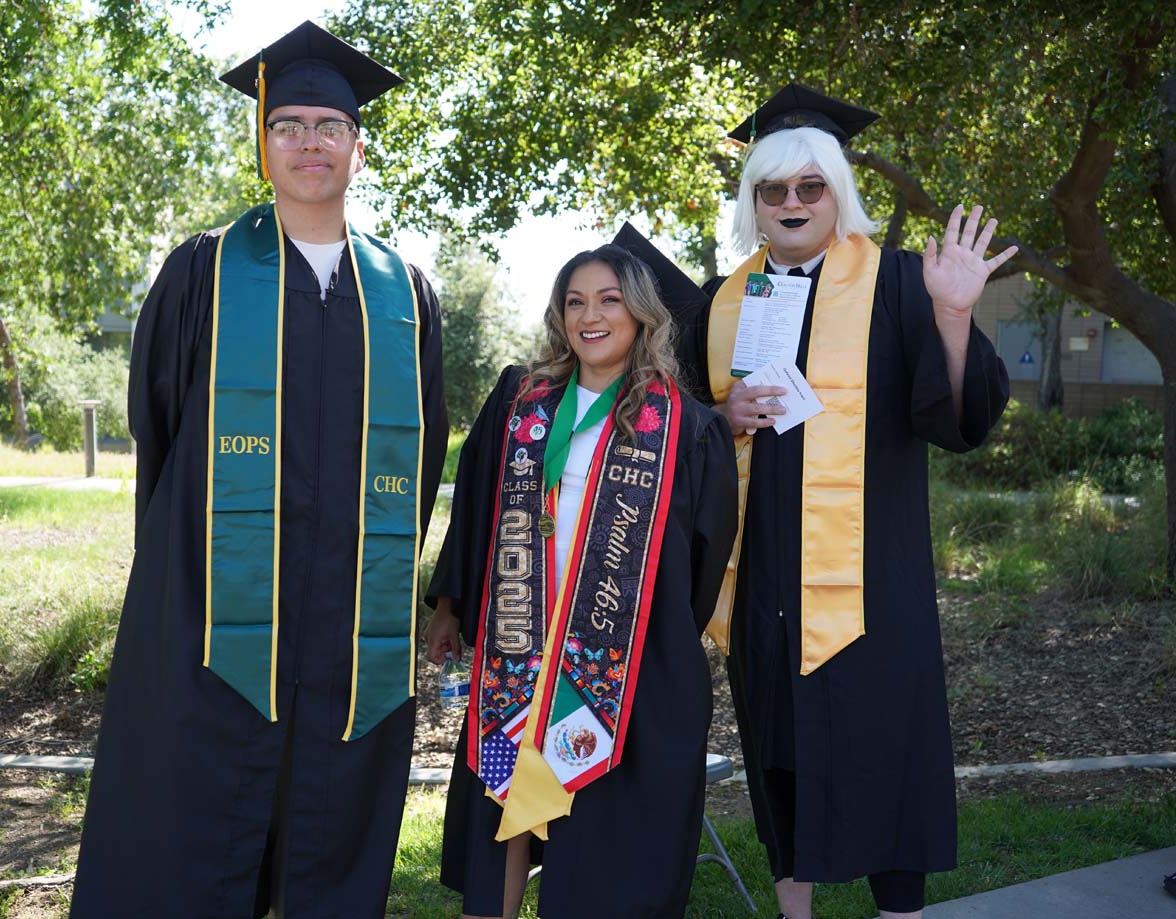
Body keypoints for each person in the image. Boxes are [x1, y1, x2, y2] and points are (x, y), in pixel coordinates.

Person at [70, 21, 447, 919]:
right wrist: (184, 562)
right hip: (213, 599)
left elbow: (422, 452)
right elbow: (159, 432)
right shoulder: (204, 269)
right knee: (194, 819)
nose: (309, 143)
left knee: (330, 810)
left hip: (350, 608)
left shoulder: (405, 293)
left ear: (359, 146)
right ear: (264, 144)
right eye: (289, 126)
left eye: (327, 126)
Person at [677, 84, 1016, 919]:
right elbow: (681, 427)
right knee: (780, 752)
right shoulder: (721, 302)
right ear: (753, 201)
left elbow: (958, 419)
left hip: (875, 580)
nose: (791, 203)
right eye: (772, 189)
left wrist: (954, 313)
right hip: (764, 583)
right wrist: (718, 418)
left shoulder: (902, 283)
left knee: (884, 753)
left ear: (839, 192)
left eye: (810, 187)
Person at [423, 240, 737, 919]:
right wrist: (449, 607)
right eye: (574, 301)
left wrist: (650, 633)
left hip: (627, 663)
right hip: (519, 644)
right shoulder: (521, 400)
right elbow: (474, 508)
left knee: (603, 839)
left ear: (642, 314)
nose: (589, 316)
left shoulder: (684, 425)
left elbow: (705, 559)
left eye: (608, 299)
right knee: (503, 805)